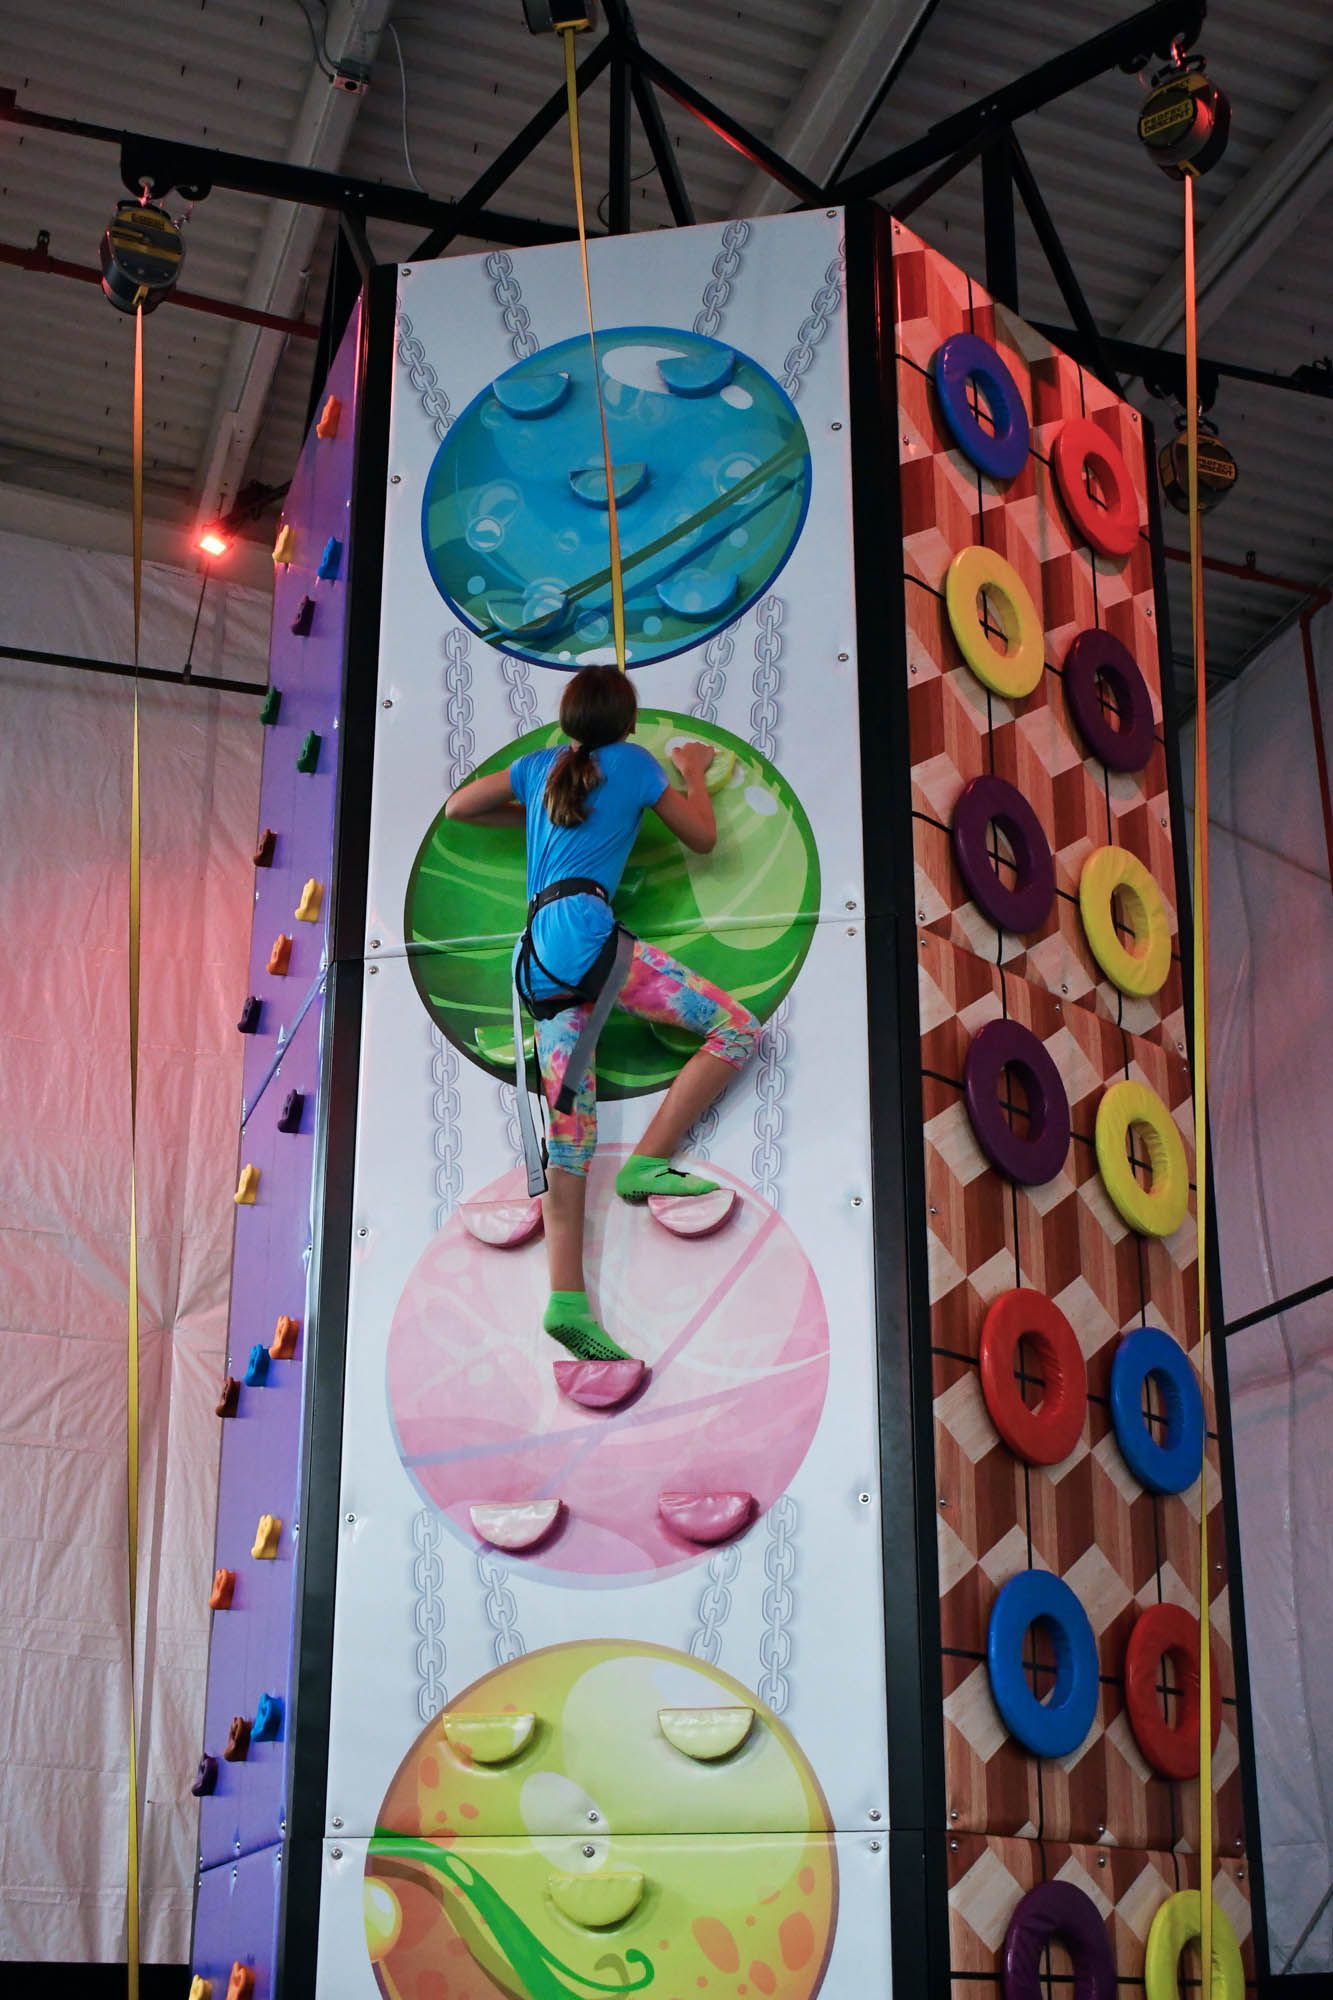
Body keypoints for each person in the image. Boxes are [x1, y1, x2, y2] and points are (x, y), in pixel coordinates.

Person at [444, 666, 759, 1363]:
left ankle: (565, 1303)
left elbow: (458, 808)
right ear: (627, 721)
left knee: (569, 1133)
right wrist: (692, 771)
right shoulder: (636, 766)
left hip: (537, 957)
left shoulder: (539, 770)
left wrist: (534, 816)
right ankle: (647, 1163)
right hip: (586, 938)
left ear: (568, 718)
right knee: (736, 1028)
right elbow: (702, 838)